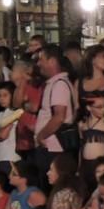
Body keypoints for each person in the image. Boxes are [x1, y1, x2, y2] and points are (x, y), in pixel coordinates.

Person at [34, 45, 77, 176]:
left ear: (52, 61)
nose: (38, 63)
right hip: (49, 146)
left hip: (53, 147)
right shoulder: (54, 84)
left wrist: (41, 135)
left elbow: (59, 116)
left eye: (41, 59)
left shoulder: (59, 85)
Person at [0, 83, 21, 175]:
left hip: (11, 157)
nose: (1, 99)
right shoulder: (0, 115)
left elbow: (3, 135)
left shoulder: (15, 112)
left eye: (5, 95)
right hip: (0, 156)